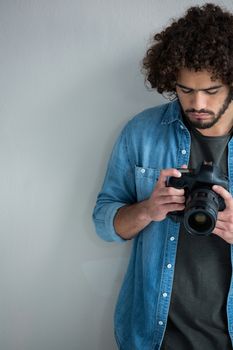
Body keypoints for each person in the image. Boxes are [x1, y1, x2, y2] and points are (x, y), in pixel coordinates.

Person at [92, 3, 233, 349]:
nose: (197, 102)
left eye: (212, 91)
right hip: (153, 338)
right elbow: (103, 222)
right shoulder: (142, 132)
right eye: (185, 90)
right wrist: (147, 209)